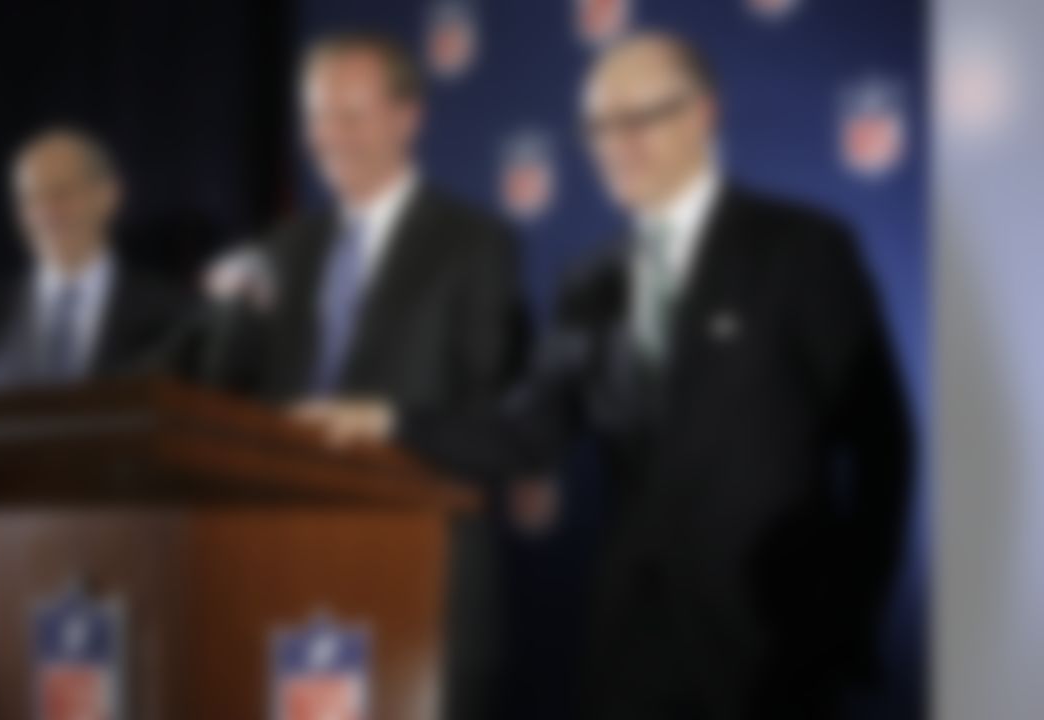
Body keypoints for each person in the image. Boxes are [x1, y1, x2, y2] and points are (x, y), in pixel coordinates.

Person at [296, 32, 913, 719]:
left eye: (638, 118)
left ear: (702, 113)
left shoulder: (800, 249)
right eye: (597, 127)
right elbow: (525, 433)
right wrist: (390, 420)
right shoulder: (589, 281)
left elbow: (881, 448)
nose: (615, 144)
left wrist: (845, 617)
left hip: (773, 645)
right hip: (634, 656)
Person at [199, 32, 527, 720]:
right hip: (280, 573)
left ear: (409, 118)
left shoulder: (475, 244)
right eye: (317, 116)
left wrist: (384, 421)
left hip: (420, 582)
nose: (329, 137)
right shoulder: (283, 249)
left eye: (351, 115)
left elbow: (496, 425)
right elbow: (218, 390)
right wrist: (222, 317)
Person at [0, 126, 185, 391]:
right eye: (32, 198)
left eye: (62, 193)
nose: (47, 211)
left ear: (109, 194)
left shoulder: (175, 317)